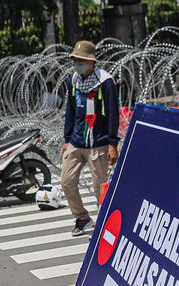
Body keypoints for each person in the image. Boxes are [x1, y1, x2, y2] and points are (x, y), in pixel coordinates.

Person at [62, 40, 119, 236]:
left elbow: (113, 113)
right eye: (75, 60)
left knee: (99, 186)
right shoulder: (74, 80)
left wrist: (113, 143)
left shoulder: (105, 82)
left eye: (81, 60)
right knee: (66, 181)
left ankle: (104, 224)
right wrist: (66, 139)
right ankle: (82, 218)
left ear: (91, 62)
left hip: (99, 143)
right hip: (76, 141)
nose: (77, 64)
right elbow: (69, 111)